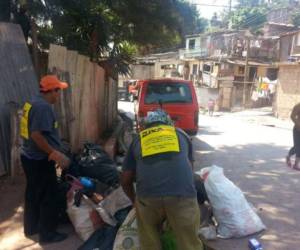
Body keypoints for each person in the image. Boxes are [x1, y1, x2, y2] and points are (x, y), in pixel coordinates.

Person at [121, 109, 203, 250]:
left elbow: (125, 179)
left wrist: (134, 200)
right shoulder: (181, 135)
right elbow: (189, 171)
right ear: (169, 123)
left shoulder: (139, 139)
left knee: (150, 243)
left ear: (146, 126)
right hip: (181, 196)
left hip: (148, 198)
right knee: (189, 244)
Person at [20, 75, 70, 244]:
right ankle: (48, 235)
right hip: (39, 159)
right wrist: (54, 153)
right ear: (52, 91)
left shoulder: (32, 101)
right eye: (58, 91)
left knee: (33, 194)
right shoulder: (43, 107)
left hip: (28, 156)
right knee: (49, 196)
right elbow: (36, 135)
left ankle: (31, 227)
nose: (59, 95)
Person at [286, 103, 300, 170]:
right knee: (297, 146)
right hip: (297, 129)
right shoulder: (298, 106)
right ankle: (295, 164)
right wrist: (298, 124)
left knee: (298, 147)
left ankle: (294, 163)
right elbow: (292, 116)